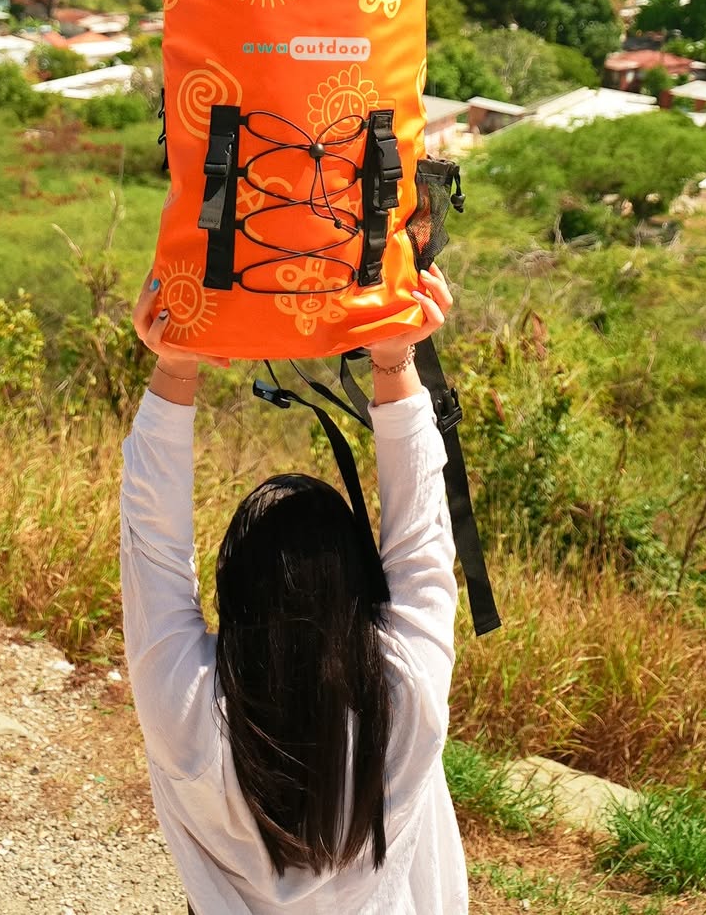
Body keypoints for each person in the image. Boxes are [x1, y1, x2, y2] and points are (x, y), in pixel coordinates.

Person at [120, 263, 467, 915]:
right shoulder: (406, 690)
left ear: (233, 592)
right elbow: (423, 538)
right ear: (362, 589)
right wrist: (394, 360)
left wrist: (176, 366)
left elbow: (152, 548)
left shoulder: (188, 711)